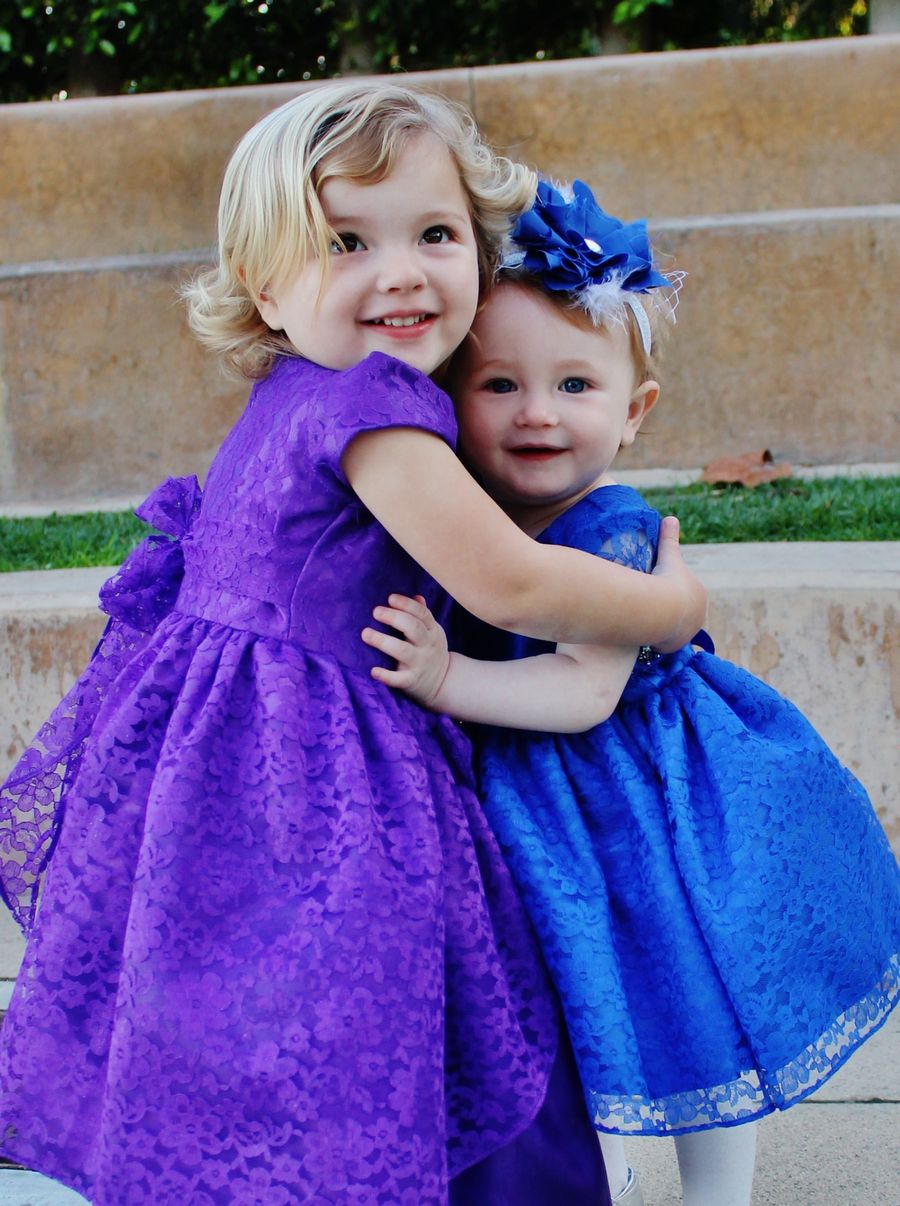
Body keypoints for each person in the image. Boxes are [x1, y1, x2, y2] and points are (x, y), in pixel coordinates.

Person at [0, 90, 706, 1205]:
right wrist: (667, 602)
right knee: (411, 1007)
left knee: (257, 1020)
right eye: (345, 242)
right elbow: (508, 579)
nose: (403, 273)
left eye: (434, 235)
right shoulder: (374, 409)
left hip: (217, 774)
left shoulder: (288, 394)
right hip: (321, 778)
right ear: (265, 286)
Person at [364, 179, 900, 1206]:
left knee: (694, 1004)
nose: (537, 414)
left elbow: (580, 695)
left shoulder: (610, 525)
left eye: (576, 386)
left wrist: (443, 677)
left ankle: (715, 1196)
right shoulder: (469, 514)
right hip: (554, 811)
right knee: (583, 1024)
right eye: (500, 386)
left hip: (646, 803)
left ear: (635, 410)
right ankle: (591, 1184)